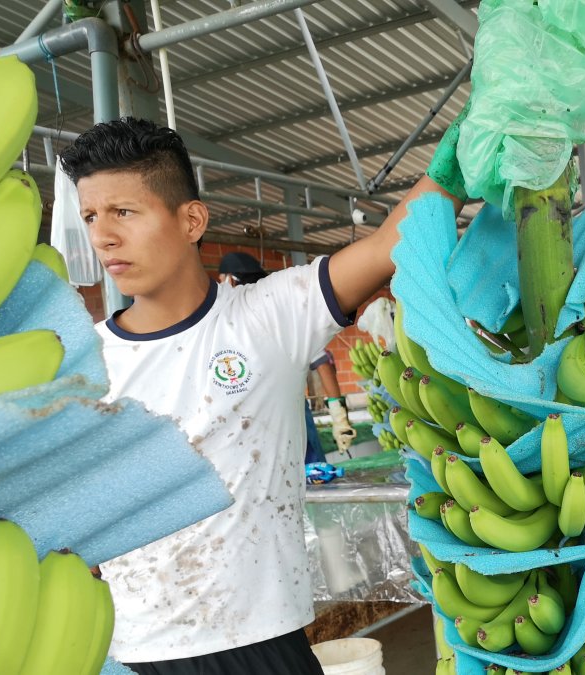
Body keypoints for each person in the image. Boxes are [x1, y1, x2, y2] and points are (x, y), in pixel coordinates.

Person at [62, 114, 465, 674]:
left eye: (124, 211)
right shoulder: (82, 364)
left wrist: (462, 157)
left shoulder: (268, 316)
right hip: (131, 652)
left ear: (191, 220)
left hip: (261, 646)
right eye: (90, 216)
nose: (103, 236)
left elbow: (389, 244)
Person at [216, 251, 357, 463]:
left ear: (232, 280)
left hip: (279, 414)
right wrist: (339, 415)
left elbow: (321, 362)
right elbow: (322, 363)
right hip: (269, 416)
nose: (221, 285)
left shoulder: (244, 320)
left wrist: (339, 417)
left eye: (222, 280)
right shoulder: (272, 315)